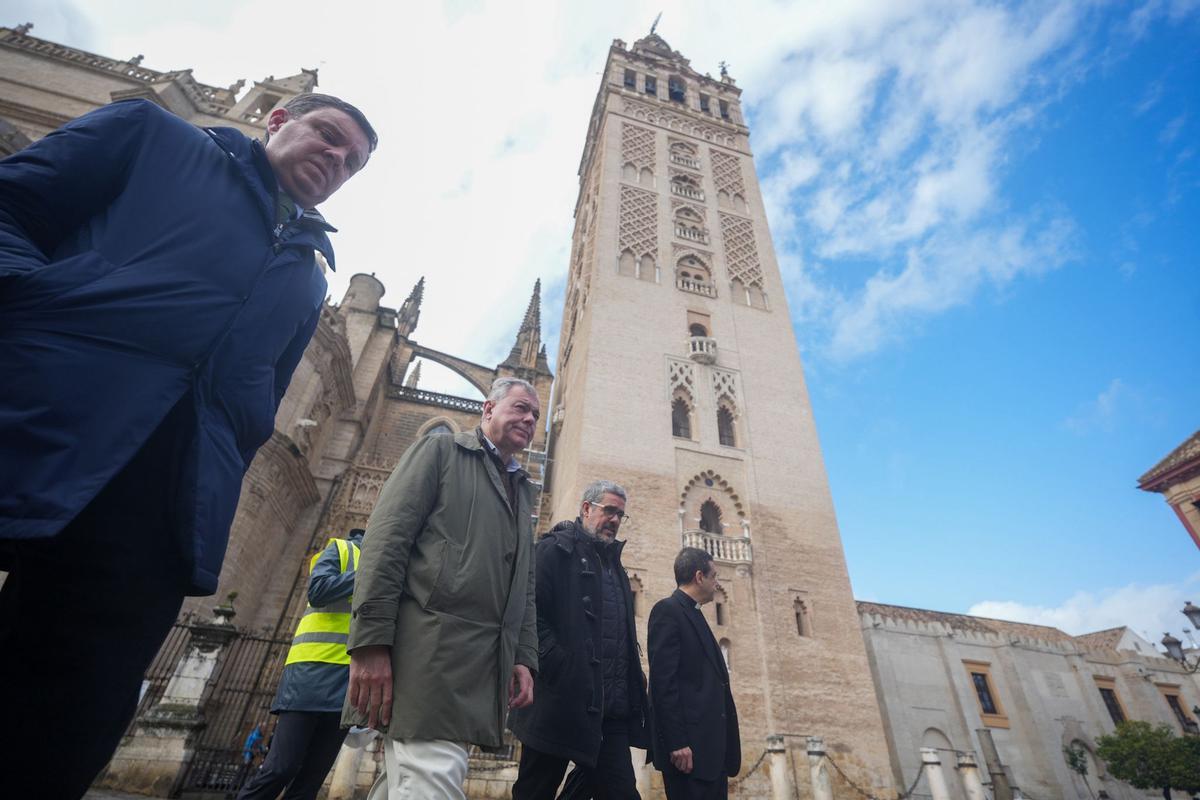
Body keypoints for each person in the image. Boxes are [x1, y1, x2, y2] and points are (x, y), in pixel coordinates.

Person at [0, 92, 377, 797]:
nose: (336, 160)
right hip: (40, 416)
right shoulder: (155, 137)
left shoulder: (306, 272)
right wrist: (40, 309)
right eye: (328, 136)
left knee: (70, 714)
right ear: (275, 119)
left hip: (163, 497)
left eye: (351, 161)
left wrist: (229, 450)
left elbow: (262, 393)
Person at [344, 377, 541, 800]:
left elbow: (523, 584)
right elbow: (385, 541)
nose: (530, 419)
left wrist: (523, 656)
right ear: (488, 409)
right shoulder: (440, 451)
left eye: (536, 415)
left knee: (406, 782)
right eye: (521, 408)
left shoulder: (522, 491)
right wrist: (370, 642)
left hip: (478, 667)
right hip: (430, 656)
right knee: (431, 781)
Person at [510, 480, 649, 799]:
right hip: (558, 701)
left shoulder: (616, 566)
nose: (615, 519)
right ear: (587, 508)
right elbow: (527, 611)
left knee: (621, 792)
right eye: (609, 510)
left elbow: (619, 630)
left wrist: (631, 676)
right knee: (536, 789)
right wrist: (559, 664)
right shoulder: (552, 551)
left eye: (620, 515)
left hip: (608, 711)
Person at [238, 528, 365, 800]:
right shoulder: (341, 550)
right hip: (310, 674)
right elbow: (318, 590)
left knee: (309, 783)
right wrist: (374, 573)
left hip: (350, 684)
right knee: (280, 768)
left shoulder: (394, 566)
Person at [647, 548, 741, 799]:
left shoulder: (694, 613)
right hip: (689, 755)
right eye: (714, 576)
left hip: (712, 754)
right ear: (700, 577)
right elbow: (662, 683)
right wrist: (677, 742)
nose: (717, 583)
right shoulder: (668, 611)